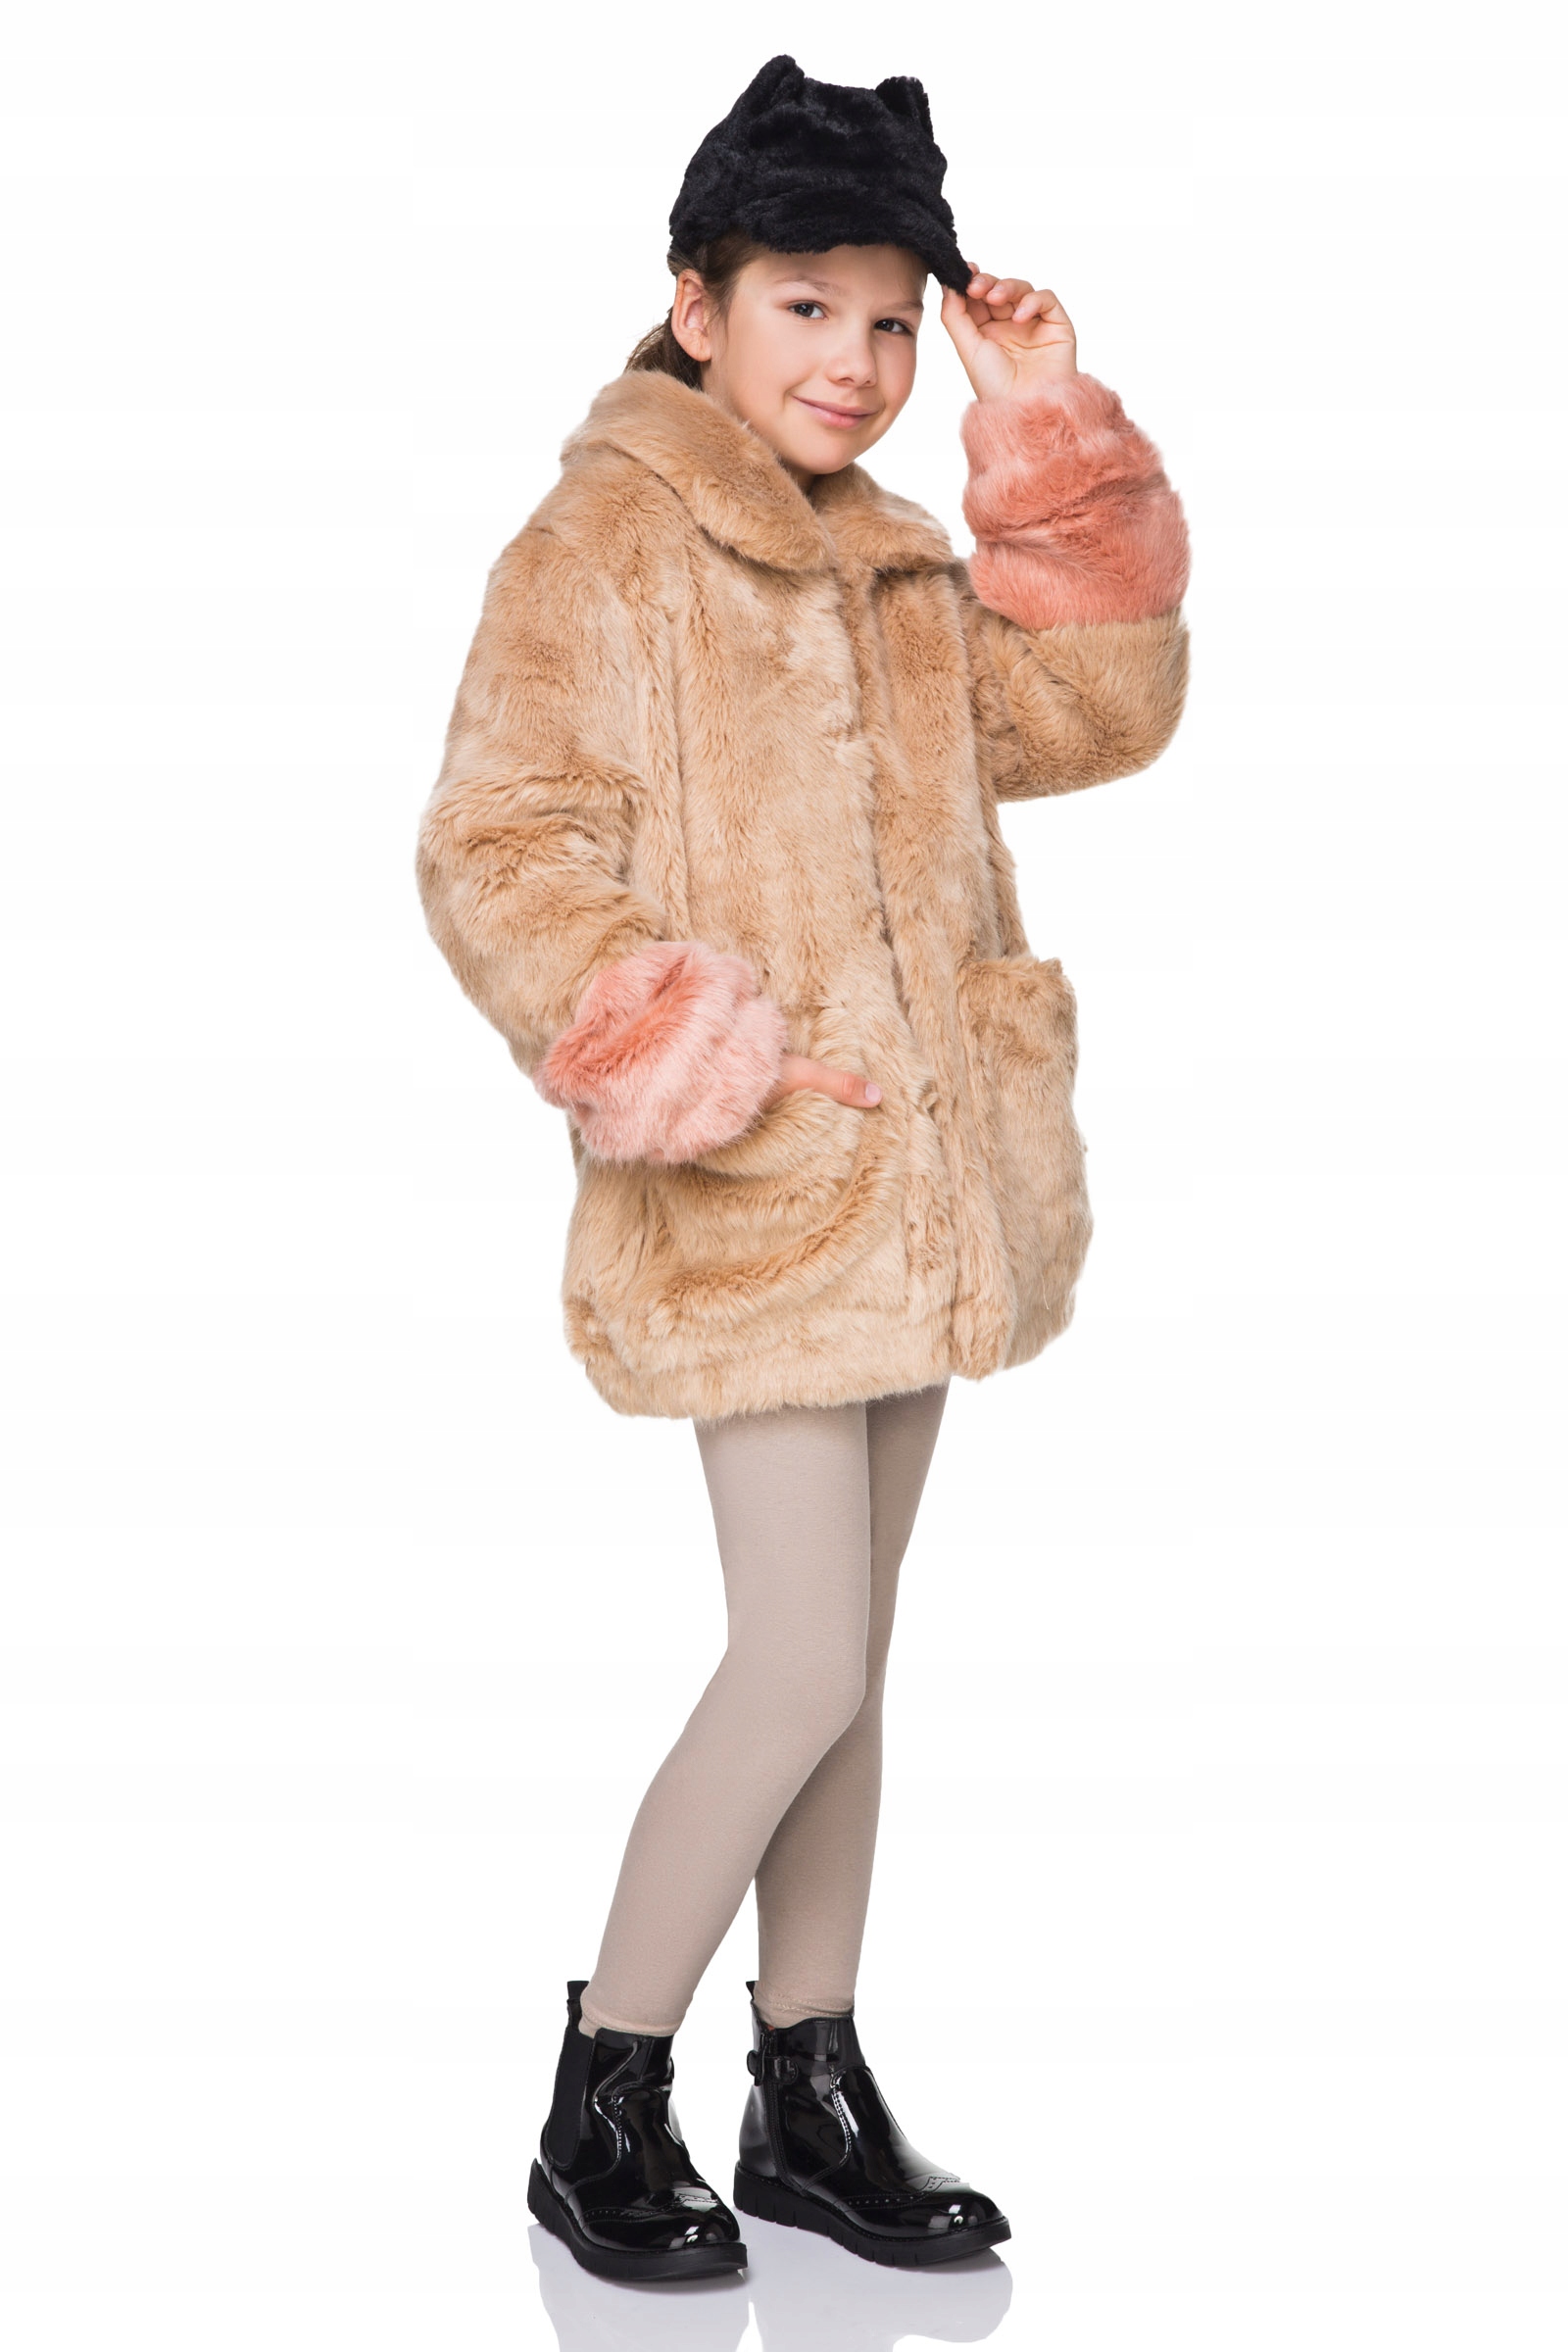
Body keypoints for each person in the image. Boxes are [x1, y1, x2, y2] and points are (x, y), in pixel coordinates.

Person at [416, 53, 1190, 2283]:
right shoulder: (603, 547)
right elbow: (496, 845)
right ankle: (601, 2092)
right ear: (696, 304)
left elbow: (1097, 718)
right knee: (798, 1659)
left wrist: (1041, 429)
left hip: (921, 1183)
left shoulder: (894, 557)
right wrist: (697, 1056)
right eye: (801, 307)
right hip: (761, 1188)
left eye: (889, 321)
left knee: (853, 1661)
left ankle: (811, 2089)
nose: (850, 360)